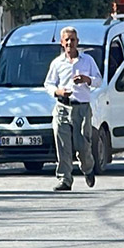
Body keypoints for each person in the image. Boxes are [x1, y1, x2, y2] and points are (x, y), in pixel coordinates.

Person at [44, 26, 101, 191]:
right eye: (67, 40)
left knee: (83, 146)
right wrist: (58, 91)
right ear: (62, 43)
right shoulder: (57, 63)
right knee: (63, 146)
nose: (70, 43)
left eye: (73, 39)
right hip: (62, 107)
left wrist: (86, 79)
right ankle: (65, 179)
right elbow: (48, 83)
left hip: (82, 108)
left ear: (78, 42)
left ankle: (88, 168)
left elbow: (98, 80)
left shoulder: (87, 60)